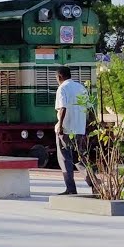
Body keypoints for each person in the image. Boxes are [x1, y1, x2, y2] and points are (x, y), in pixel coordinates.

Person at [54, 66, 92, 196]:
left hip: (66, 129)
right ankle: (94, 184)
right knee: (80, 158)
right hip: (79, 129)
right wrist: (89, 126)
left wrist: (60, 126)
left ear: (59, 77)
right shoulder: (81, 88)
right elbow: (89, 109)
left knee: (65, 159)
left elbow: (62, 108)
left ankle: (71, 188)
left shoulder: (62, 88)